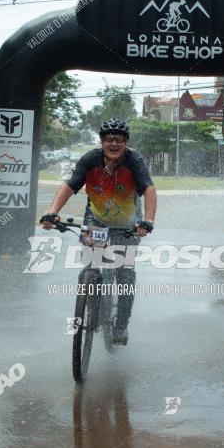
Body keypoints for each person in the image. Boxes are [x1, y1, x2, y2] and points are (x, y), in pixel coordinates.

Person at [40, 118, 158, 345]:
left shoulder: (134, 160)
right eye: (108, 139)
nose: (114, 144)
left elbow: (149, 190)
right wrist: (51, 212)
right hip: (96, 219)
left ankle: (121, 325)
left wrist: (147, 221)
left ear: (126, 142)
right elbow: (70, 185)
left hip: (128, 223)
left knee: (124, 274)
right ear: (101, 141)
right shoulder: (90, 159)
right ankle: (90, 303)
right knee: (90, 267)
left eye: (119, 140)